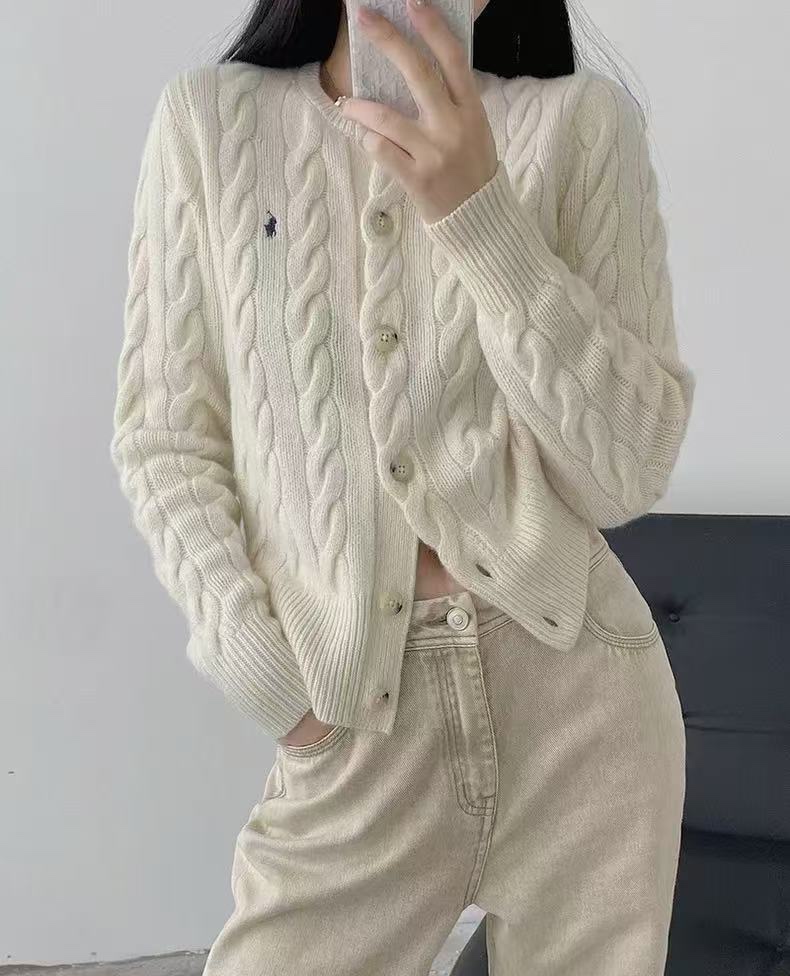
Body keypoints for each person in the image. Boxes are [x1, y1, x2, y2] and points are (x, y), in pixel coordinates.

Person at [109, 0, 696, 971]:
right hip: (353, 719)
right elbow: (165, 437)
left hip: (581, 712)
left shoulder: (583, 125)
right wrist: (268, 676)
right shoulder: (209, 123)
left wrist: (481, 215)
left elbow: (627, 470)